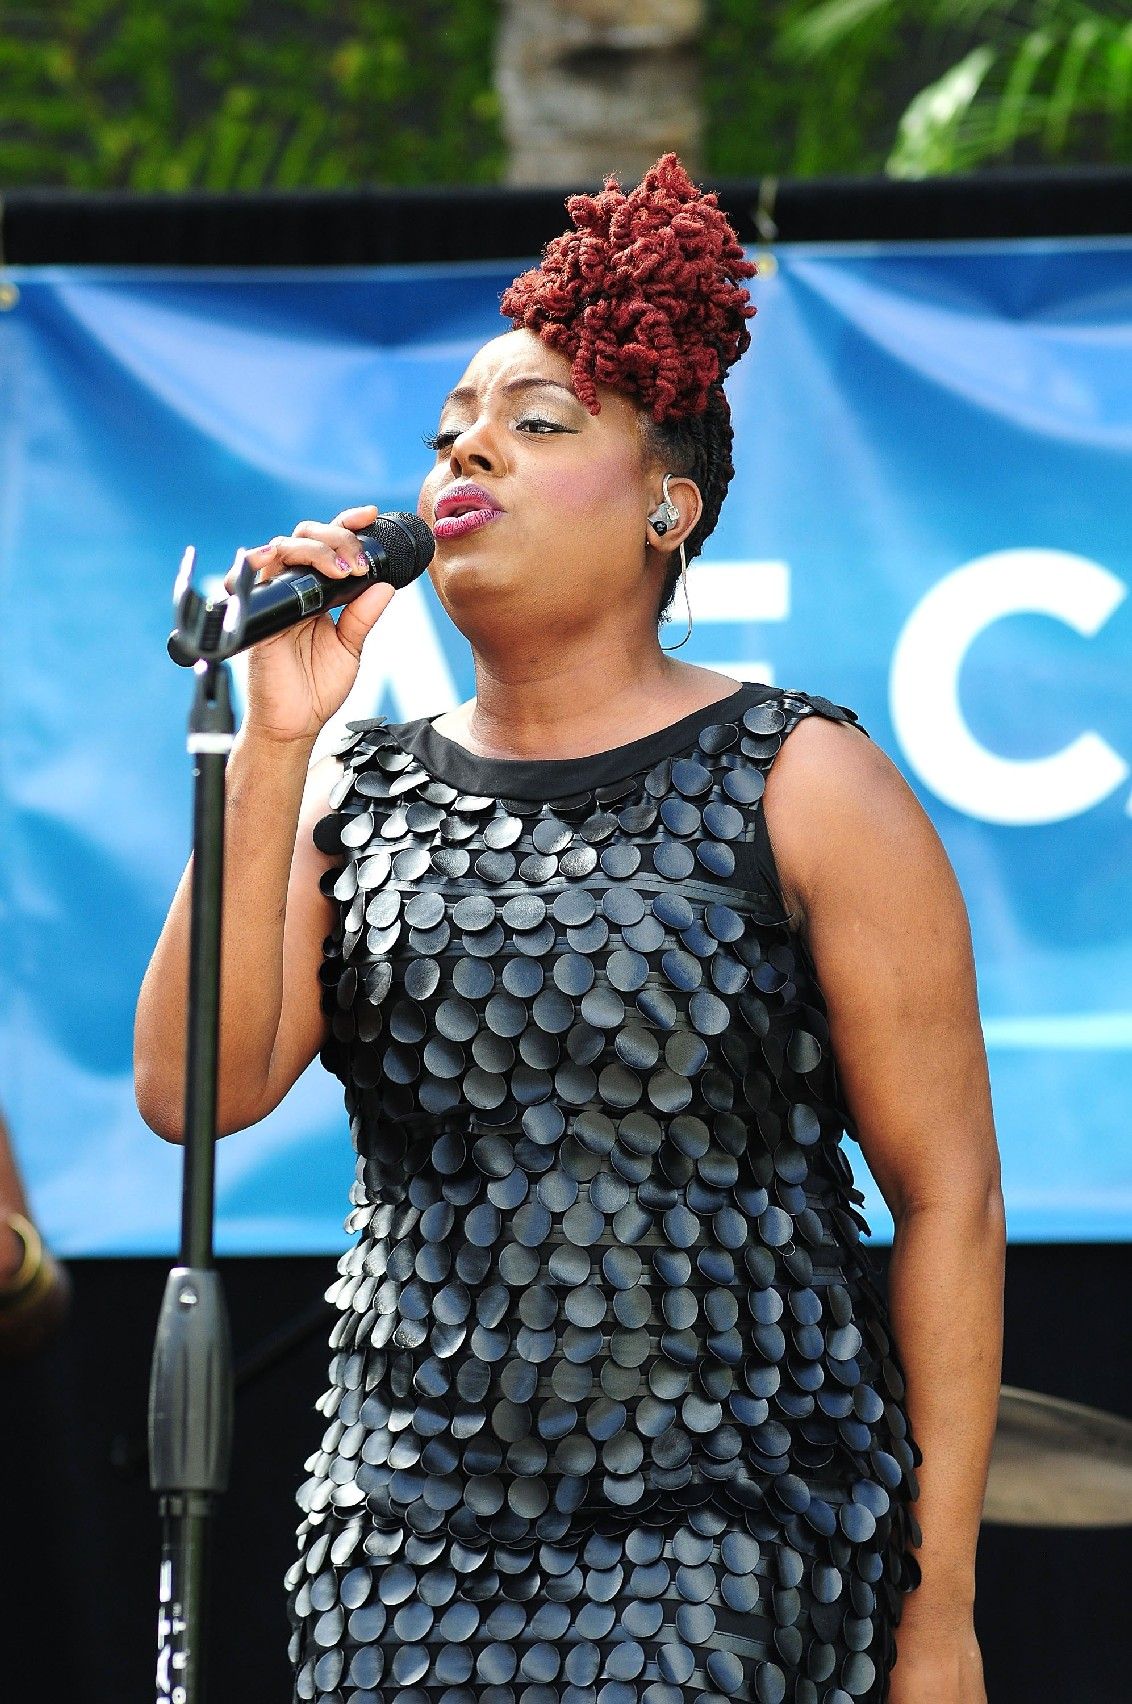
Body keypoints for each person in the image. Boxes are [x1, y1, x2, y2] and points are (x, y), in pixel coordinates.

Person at [135, 155, 1005, 1704]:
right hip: (397, 1545)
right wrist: (277, 743)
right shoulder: (362, 784)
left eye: (538, 424)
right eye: (456, 427)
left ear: (670, 505)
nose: (474, 445)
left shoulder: (802, 780)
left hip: (729, 1538)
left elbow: (949, 1200)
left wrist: (937, 1618)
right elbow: (192, 1098)